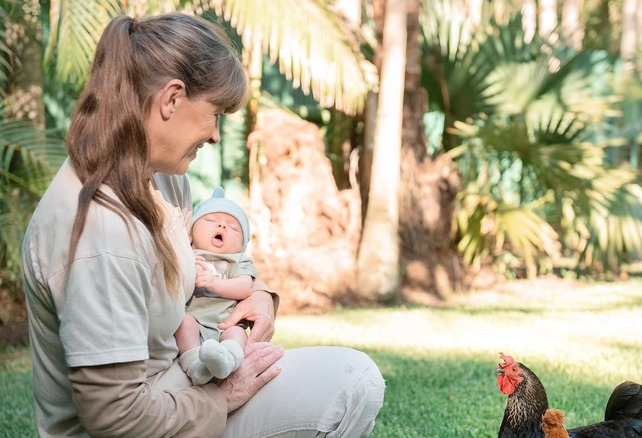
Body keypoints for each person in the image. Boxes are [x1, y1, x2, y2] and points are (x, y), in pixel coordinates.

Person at [22, 12, 384, 437]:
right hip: (146, 422)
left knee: (348, 379)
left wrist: (260, 297)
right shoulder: (100, 233)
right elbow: (113, 417)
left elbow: (200, 267)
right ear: (171, 99)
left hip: (185, 382)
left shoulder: (163, 179)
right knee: (352, 381)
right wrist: (223, 396)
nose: (215, 135)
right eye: (215, 113)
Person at [176, 187, 257, 384]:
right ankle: (196, 366)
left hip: (224, 324)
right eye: (211, 221)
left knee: (237, 333)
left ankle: (227, 359)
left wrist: (215, 283)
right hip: (195, 320)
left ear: (242, 244)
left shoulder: (238, 260)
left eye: (233, 227)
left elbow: (245, 287)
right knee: (183, 323)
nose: (221, 226)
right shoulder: (188, 253)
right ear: (192, 233)